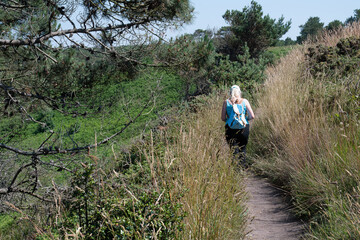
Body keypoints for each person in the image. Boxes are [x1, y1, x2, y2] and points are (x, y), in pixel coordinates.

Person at [221, 85, 255, 168]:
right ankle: (242, 168)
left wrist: (231, 121)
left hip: (230, 128)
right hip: (244, 127)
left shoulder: (226, 102)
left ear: (230, 92)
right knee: (242, 148)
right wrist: (245, 119)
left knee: (233, 149)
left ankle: (235, 169)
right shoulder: (245, 101)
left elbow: (222, 118)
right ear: (239, 92)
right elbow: (252, 116)